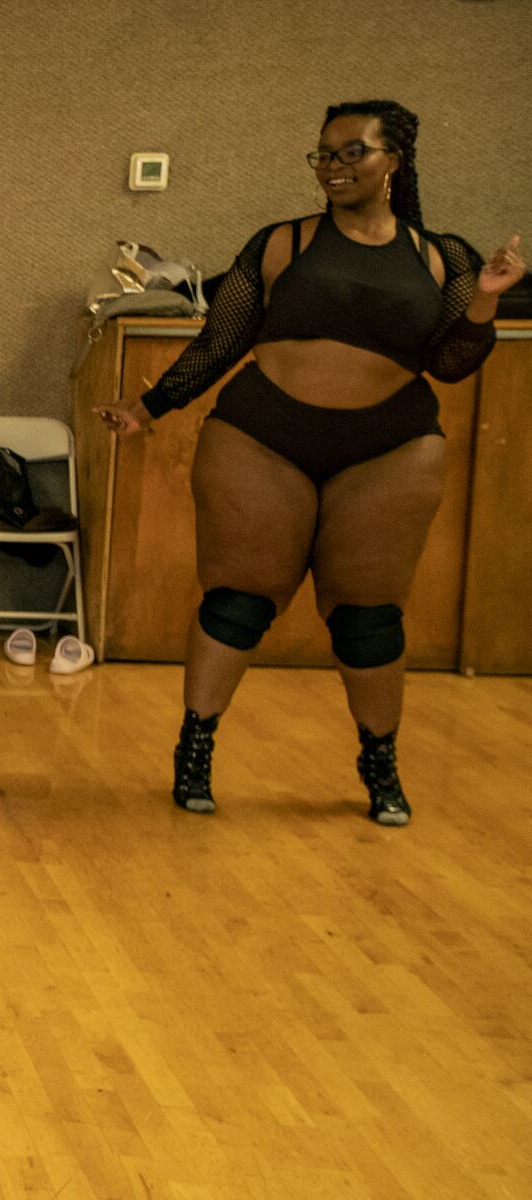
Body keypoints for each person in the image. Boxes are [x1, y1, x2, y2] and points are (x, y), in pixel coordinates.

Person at [97, 100, 523, 824]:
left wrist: (483, 302)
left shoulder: (441, 256)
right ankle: (195, 749)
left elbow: (450, 365)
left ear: (393, 161)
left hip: (388, 447)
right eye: (323, 154)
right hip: (264, 436)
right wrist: (148, 409)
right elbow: (221, 340)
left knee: (368, 617)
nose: (333, 166)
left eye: (351, 152)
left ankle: (379, 764)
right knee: (240, 598)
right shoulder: (282, 244)